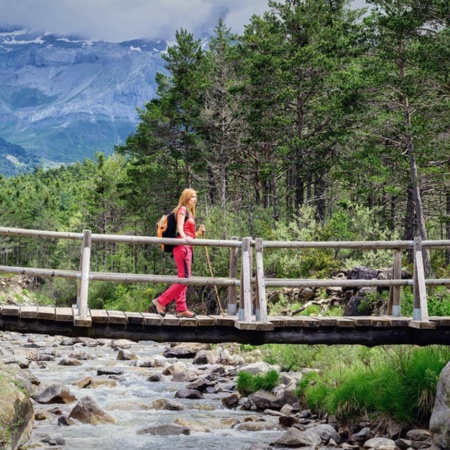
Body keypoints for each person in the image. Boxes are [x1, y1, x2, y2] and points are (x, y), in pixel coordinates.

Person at [152, 188, 206, 318]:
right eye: (192, 196)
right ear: (186, 197)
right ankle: (160, 301)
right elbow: (181, 228)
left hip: (186, 247)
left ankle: (181, 308)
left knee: (183, 277)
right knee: (185, 279)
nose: (195, 199)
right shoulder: (182, 209)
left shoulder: (189, 212)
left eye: (196, 196)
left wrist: (198, 233)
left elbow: (188, 234)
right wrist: (184, 238)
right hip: (182, 247)